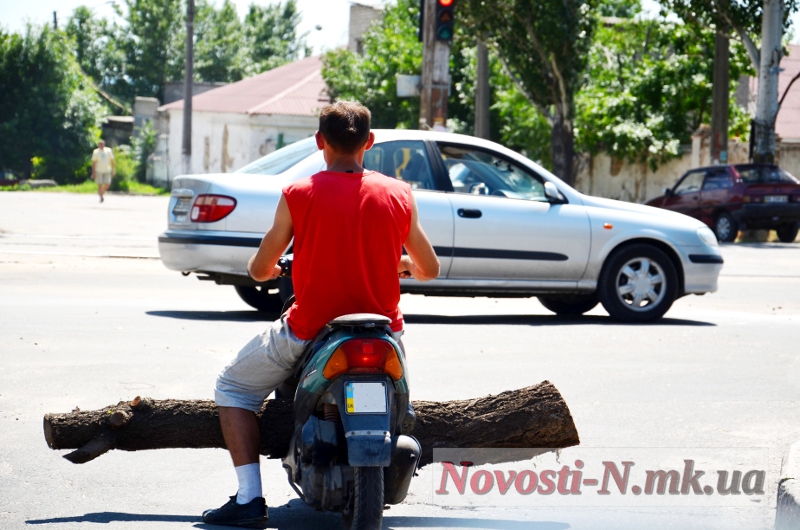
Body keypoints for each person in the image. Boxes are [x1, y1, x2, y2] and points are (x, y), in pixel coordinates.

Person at [202, 101, 440, 527]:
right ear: (369, 142)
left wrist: (272, 270)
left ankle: (250, 499)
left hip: (310, 330)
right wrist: (403, 265)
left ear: (319, 143)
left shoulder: (298, 195)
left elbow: (258, 268)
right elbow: (430, 268)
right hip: (383, 333)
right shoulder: (400, 194)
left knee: (232, 387)